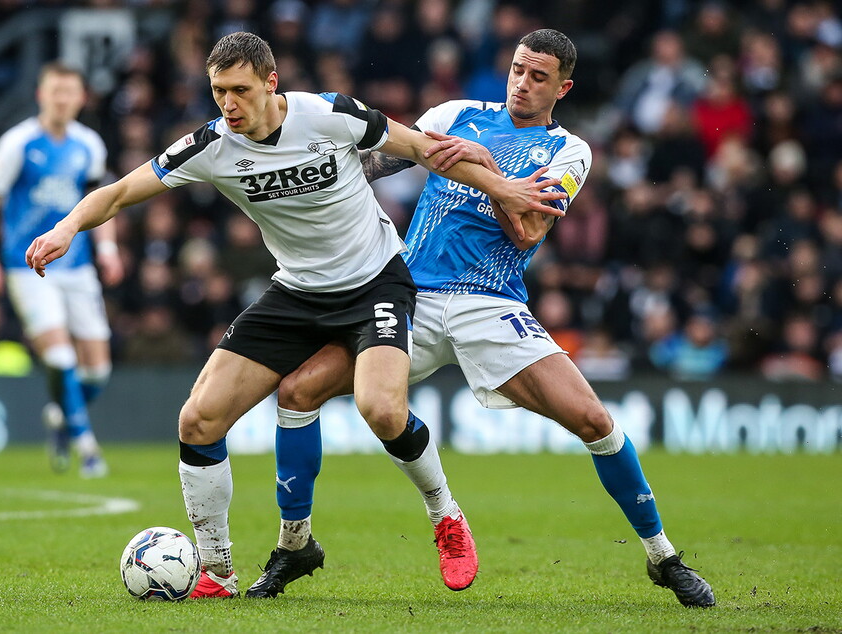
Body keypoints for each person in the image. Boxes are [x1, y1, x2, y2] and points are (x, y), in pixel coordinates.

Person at [24, 32, 564, 599]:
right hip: (296, 294)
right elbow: (116, 193)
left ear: (271, 83)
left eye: (239, 90)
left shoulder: (330, 114)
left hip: (375, 283)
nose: (228, 105)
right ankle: (217, 570)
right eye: (217, 92)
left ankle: (446, 516)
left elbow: (428, 151)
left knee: (381, 408)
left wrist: (509, 190)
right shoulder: (209, 146)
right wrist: (65, 229)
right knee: (197, 421)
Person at [263, 29, 716, 608]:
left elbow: (530, 229)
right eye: (518, 70)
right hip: (411, 294)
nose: (522, 84)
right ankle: (294, 544)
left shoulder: (569, 150)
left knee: (594, 420)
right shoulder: (455, 113)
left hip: (492, 303)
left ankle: (663, 557)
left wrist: (480, 173)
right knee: (298, 391)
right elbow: (374, 163)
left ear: (563, 88)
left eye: (538, 77)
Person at [0, 62, 123, 478]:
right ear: (41, 95)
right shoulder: (17, 142)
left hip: (77, 266)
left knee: (98, 371)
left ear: (81, 98)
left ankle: (60, 416)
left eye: (69, 91)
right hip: (28, 265)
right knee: (59, 356)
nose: (62, 98)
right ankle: (88, 448)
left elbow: (100, 204)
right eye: (54, 91)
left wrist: (107, 248)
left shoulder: (89, 144)